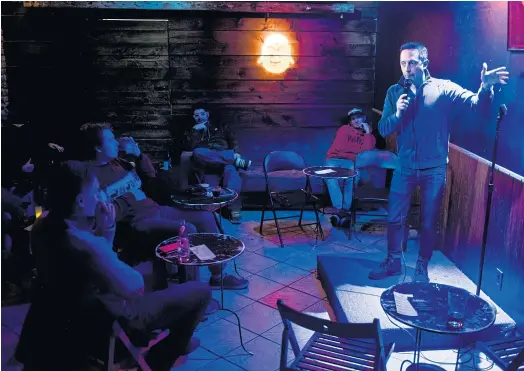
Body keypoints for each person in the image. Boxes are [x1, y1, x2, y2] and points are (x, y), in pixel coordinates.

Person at [15, 161, 211, 371]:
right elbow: (135, 288)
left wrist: (106, 230)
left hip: (70, 310)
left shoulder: (42, 224)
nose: (101, 197)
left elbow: (94, 268)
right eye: (96, 191)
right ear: (80, 201)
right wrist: (104, 234)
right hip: (105, 319)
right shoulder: (82, 243)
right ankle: (160, 360)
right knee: (200, 292)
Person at [369, 41, 509, 282]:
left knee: (428, 221)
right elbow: (383, 129)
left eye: (412, 62)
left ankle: (422, 266)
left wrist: (484, 88)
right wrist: (398, 114)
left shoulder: (443, 88)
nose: (407, 68)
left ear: (424, 62)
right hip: (403, 167)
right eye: (403, 63)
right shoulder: (395, 92)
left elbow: (477, 106)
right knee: (394, 218)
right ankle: (393, 261)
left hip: (433, 170)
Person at [79, 123, 248, 290]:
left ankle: (218, 276)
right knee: (186, 229)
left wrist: (138, 156)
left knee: (205, 217)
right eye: (110, 139)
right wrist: (127, 192)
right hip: (136, 222)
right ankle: (192, 292)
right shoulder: (89, 175)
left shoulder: (119, 163)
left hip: (155, 209)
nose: (116, 142)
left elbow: (151, 178)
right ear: (97, 147)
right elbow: (102, 207)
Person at [181, 105, 251, 224]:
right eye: (196, 115)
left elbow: (233, 140)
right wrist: (194, 132)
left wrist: (237, 153)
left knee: (231, 171)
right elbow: (188, 148)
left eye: (202, 114)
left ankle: (234, 210)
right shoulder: (191, 130)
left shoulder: (221, 126)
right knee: (198, 152)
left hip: (222, 157)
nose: (199, 117)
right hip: (205, 160)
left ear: (207, 114)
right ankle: (233, 160)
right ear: (193, 117)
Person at [325, 108, 376, 226]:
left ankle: (342, 212)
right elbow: (341, 148)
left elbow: (366, 155)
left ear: (364, 118)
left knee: (353, 178)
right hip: (334, 159)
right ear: (350, 122)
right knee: (330, 177)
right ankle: (341, 210)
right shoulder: (344, 129)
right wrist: (358, 153)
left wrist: (368, 133)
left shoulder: (370, 137)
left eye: (358, 117)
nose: (356, 121)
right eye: (353, 119)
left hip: (351, 162)